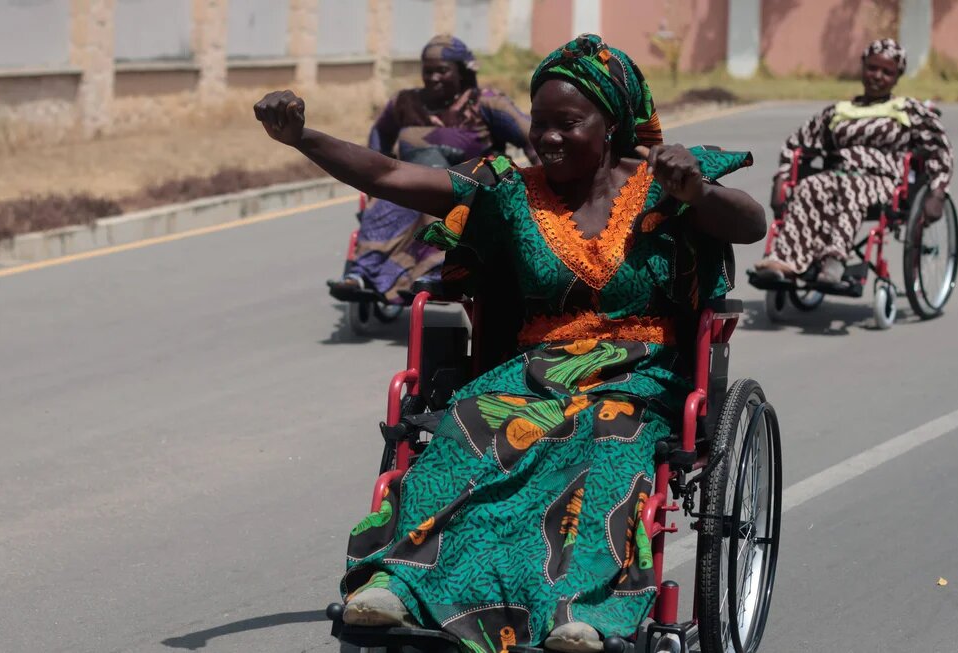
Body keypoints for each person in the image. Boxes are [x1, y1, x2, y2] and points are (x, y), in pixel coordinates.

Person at [255, 34, 765, 653]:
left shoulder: (663, 182)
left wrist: (698, 193)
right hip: (535, 367)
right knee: (470, 423)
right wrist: (302, 138)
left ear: (610, 126)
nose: (548, 138)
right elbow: (389, 174)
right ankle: (400, 584)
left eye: (567, 124)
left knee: (607, 434)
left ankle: (582, 614)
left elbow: (751, 222)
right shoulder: (510, 192)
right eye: (539, 123)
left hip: (639, 372)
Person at [328, 34, 540, 304]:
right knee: (387, 198)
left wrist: (541, 183)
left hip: (468, 192)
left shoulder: (487, 103)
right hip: (409, 185)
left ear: (461, 71)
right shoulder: (404, 103)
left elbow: (531, 137)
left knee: (440, 201)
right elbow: (380, 134)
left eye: (442, 71)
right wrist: (375, 174)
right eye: (427, 71)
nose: (433, 78)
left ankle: (433, 273)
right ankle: (361, 275)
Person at [754, 38, 953, 285]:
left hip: (882, 180)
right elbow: (796, 143)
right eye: (872, 68)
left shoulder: (907, 109)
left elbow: (939, 148)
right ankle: (785, 260)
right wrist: (781, 178)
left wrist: (938, 192)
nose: (877, 76)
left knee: (852, 188)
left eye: (887, 72)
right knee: (808, 186)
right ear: (863, 67)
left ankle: (834, 259)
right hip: (839, 173)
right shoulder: (839, 111)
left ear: (897, 77)